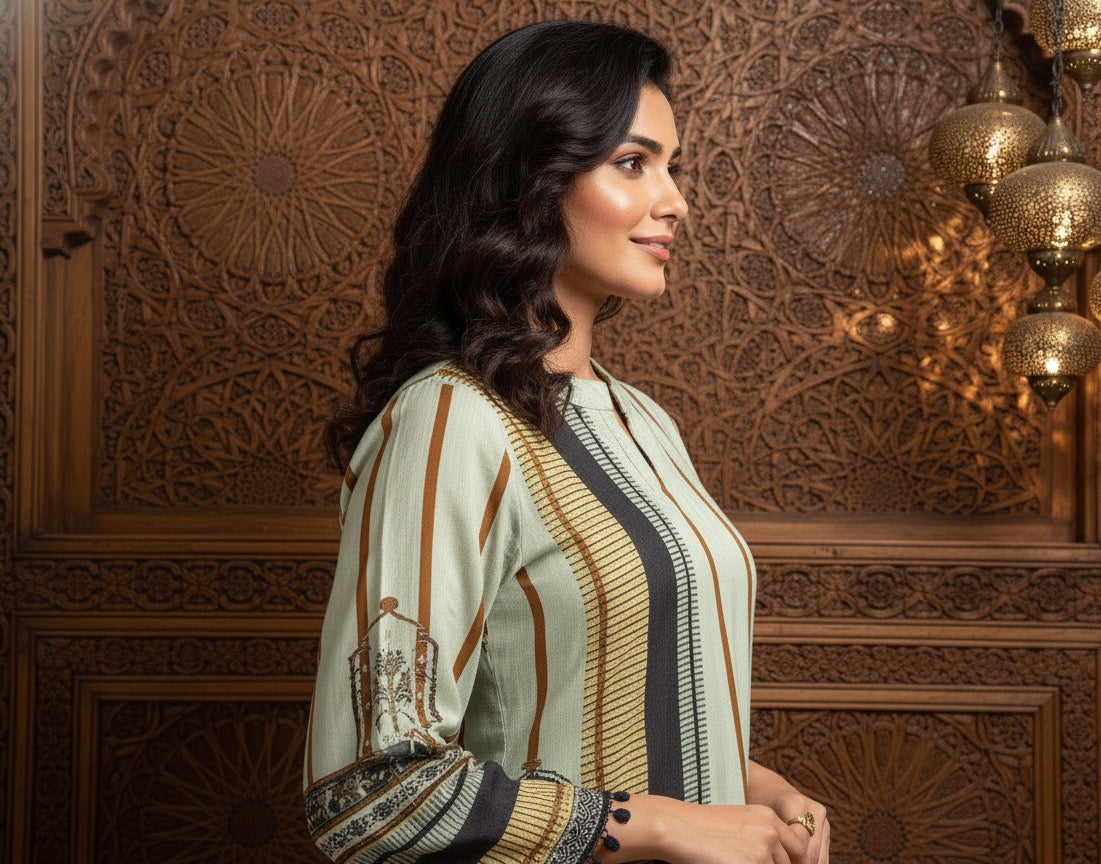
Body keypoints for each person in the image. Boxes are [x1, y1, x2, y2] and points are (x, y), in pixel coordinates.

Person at [304, 19, 830, 864]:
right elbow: (372, 793)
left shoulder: (640, 420)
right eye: (632, 164)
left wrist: (751, 786)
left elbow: (618, 702)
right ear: (530, 179)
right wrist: (659, 824)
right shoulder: (448, 421)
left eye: (673, 166)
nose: (675, 201)